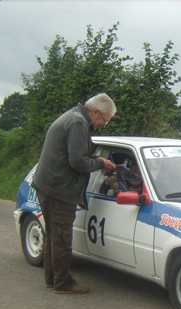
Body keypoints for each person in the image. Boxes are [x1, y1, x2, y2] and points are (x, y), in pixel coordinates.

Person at [32, 93, 117, 294]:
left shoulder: (73, 117)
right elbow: (78, 162)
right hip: (59, 189)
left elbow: (77, 154)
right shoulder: (78, 124)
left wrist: (94, 159)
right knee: (61, 236)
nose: (104, 125)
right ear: (95, 112)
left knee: (53, 234)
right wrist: (101, 163)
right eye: (104, 120)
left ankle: (53, 278)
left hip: (49, 186)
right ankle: (63, 283)